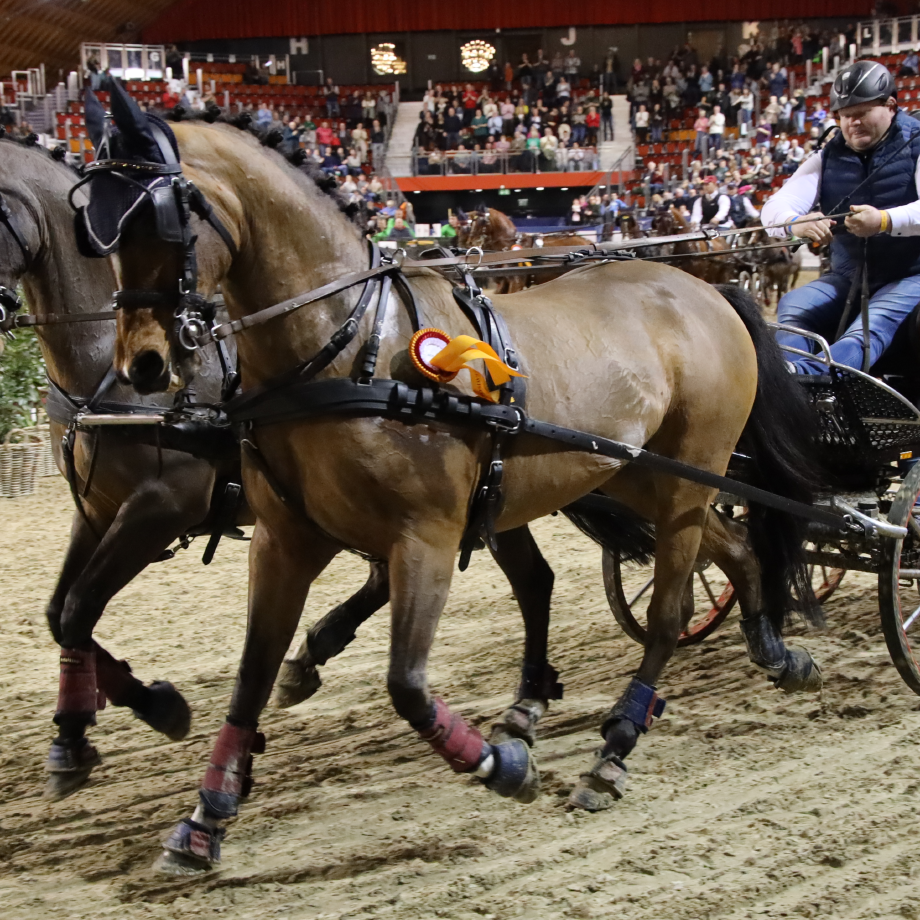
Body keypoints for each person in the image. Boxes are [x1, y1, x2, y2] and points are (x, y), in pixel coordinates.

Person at [763, 61, 920, 374]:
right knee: (792, 305)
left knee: (866, 329)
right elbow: (774, 208)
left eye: (862, 112)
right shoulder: (827, 155)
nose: (853, 123)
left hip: (910, 276)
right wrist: (797, 223)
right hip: (847, 277)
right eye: (845, 115)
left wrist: (884, 221)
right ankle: (791, 378)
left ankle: (809, 379)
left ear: (890, 106)